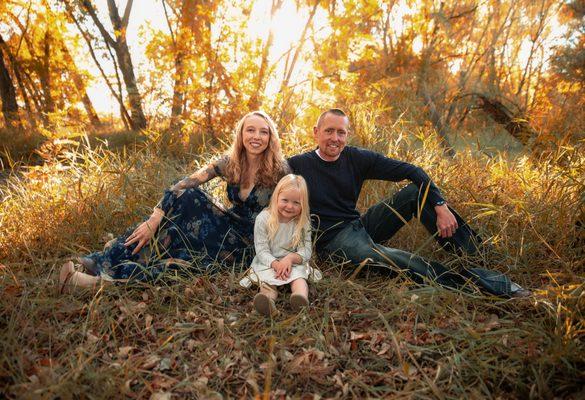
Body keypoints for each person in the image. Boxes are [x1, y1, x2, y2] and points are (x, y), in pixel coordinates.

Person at [288, 108, 531, 297]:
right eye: (329, 131)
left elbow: (413, 171)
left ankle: (479, 257)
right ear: (316, 132)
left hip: (359, 226)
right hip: (333, 242)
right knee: (394, 257)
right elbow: (265, 186)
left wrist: (440, 205)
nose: (335, 138)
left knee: (415, 192)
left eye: (341, 132)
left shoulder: (356, 158)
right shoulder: (298, 165)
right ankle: (484, 284)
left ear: (347, 135)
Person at [59, 111, 289, 292]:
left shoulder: (280, 170)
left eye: (263, 132)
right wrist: (155, 216)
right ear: (241, 135)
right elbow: (185, 183)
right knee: (187, 199)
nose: (256, 137)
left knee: (181, 252)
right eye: (250, 130)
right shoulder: (230, 162)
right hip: (229, 225)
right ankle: (109, 257)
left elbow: (294, 210)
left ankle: (96, 282)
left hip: (251, 242)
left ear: (271, 138)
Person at [245, 174, 321, 316]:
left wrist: (290, 259)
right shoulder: (264, 219)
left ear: (303, 204)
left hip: (293, 262)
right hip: (268, 262)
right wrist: (275, 264)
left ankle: (300, 298)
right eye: (285, 200)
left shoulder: (302, 222)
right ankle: (267, 301)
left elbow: (306, 251)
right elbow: (261, 250)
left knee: (299, 279)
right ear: (276, 197)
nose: (290, 206)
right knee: (267, 283)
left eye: (296, 203)